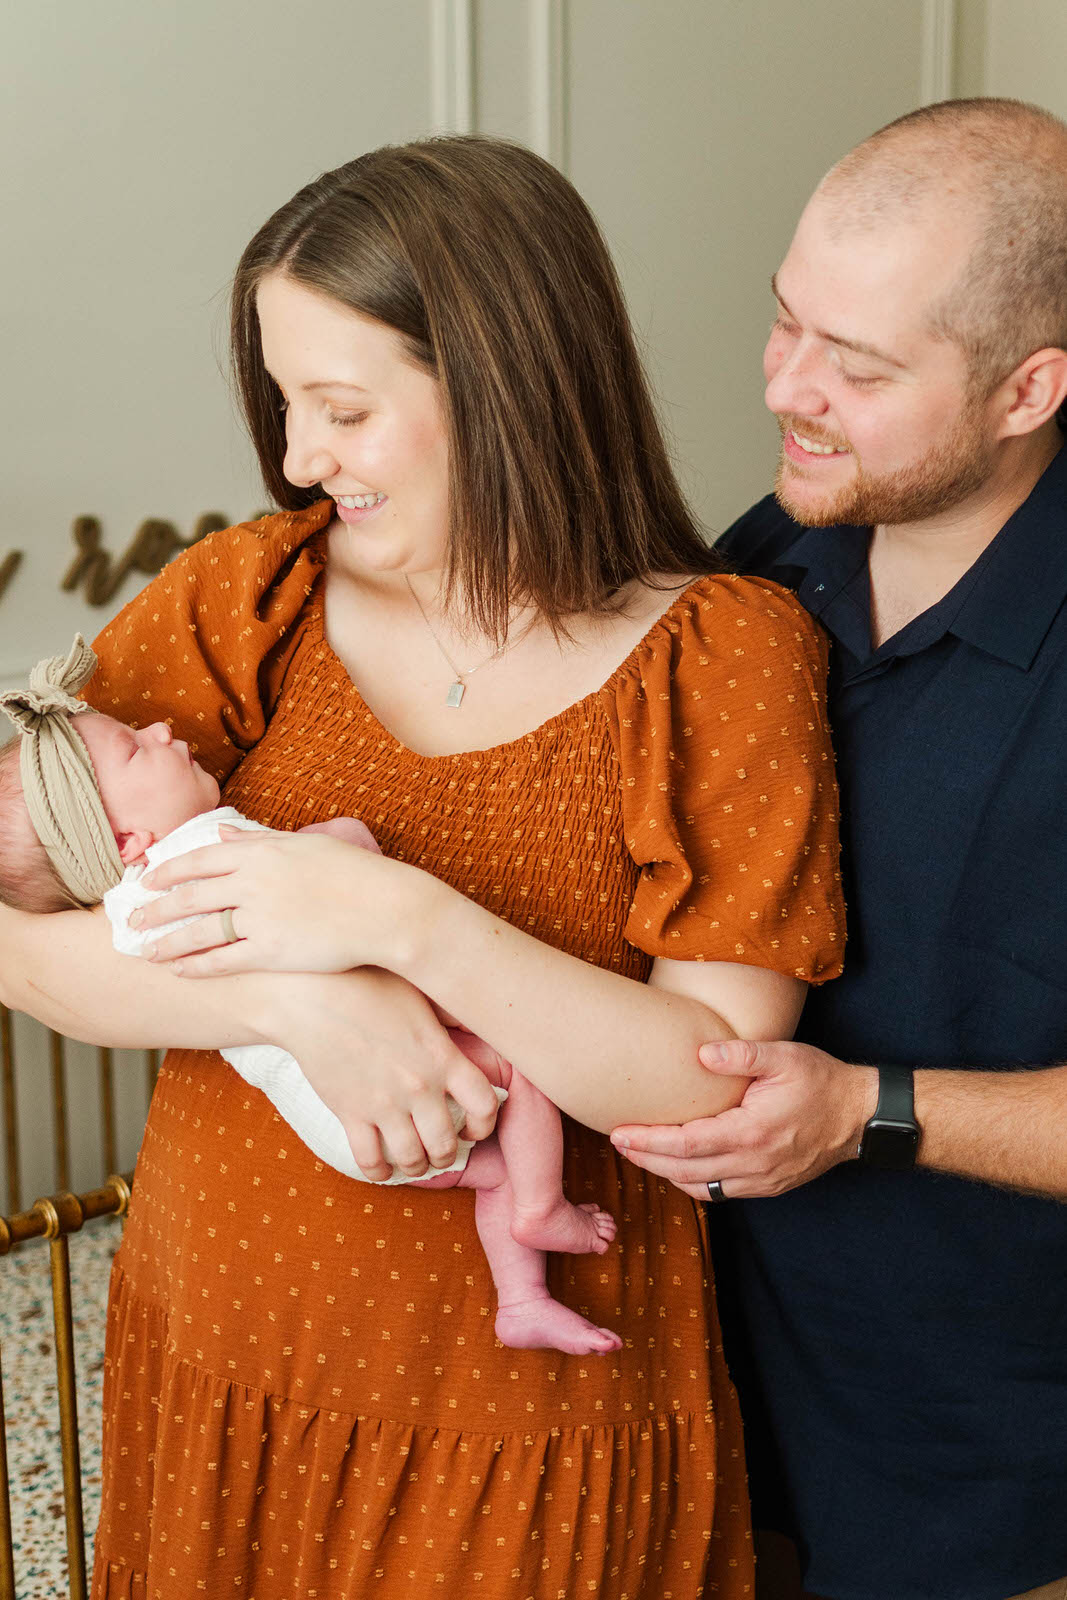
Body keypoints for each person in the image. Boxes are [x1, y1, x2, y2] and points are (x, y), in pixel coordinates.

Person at [0, 136, 844, 1597]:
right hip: (221, 1360)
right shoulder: (246, 594)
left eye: (340, 408)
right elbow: (22, 934)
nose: (294, 458)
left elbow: (706, 1079)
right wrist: (302, 1007)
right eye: (281, 403)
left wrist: (398, 917)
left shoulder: (720, 653)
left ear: (508, 386)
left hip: (526, 1414)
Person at [611, 98, 1067, 1600]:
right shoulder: (772, 555)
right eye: (782, 323)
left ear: (1026, 390)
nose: (786, 389)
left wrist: (867, 1112)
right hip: (720, 1425)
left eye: (856, 367)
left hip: (992, 1496)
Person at [0, 647, 620, 1357]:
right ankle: (542, 1210)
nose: (164, 731)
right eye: (136, 751)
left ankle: (521, 1300)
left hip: (346, 1135)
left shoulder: (128, 914)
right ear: (127, 840)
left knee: (494, 1170)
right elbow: (338, 875)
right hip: (380, 1088)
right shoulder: (207, 850)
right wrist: (346, 842)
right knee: (526, 1063)